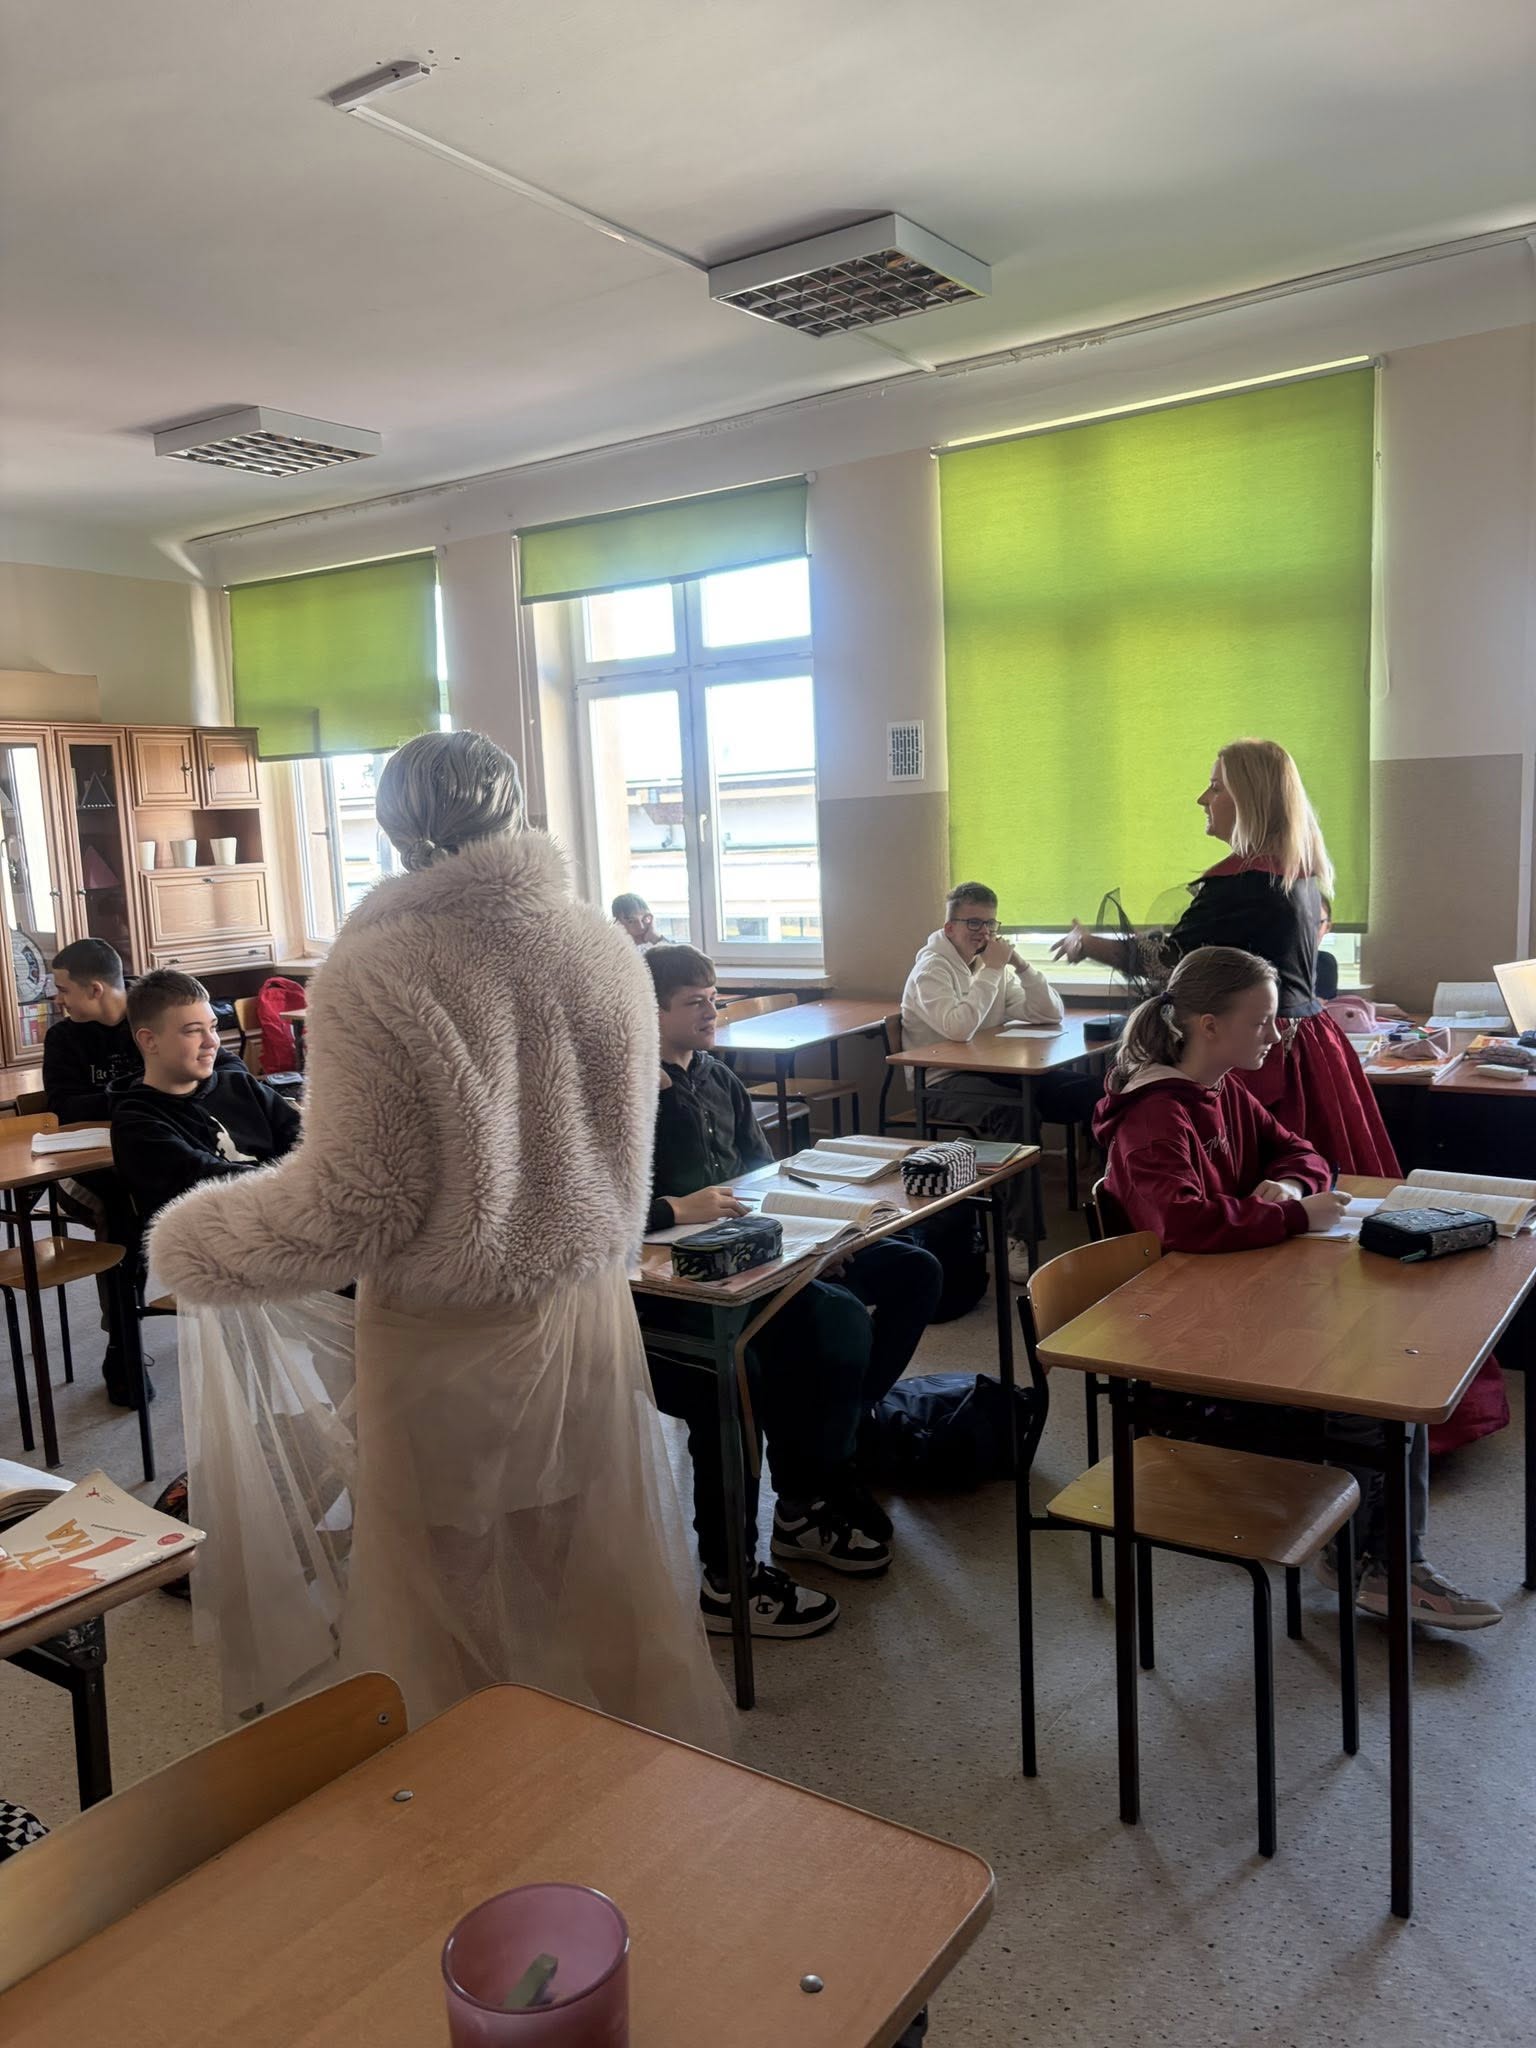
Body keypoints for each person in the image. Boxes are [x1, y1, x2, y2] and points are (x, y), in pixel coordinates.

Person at [150, 730, 727, 1746]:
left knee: (448, 1578)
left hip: (444, 1325)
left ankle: (481, 1782)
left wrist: (196, 1242)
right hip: (581, 1306)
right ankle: (608, 1766)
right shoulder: (602, 947)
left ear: (398, 827)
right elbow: (618, 1141)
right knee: (578, 1548)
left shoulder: (379, 964)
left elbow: (356, 1204)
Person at [1096, 943, 1500, 1631]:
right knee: (1377, 1393)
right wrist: (1291, 1215)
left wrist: (1286, 1186)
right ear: (1208, 1025)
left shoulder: (1221, 1088)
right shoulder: (1155, 1115)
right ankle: (1380, 1565)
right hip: (1189, 1342)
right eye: (1261, 1021)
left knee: (1391, 1359)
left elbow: (1305, 1152)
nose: (1278, 1033)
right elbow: (1183, 1224)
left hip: (1236, 1299)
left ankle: (1366, 1556)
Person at [644, 943, 944, 1640]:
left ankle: (823, 1463)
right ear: (648, 1012)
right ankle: (744, 1559)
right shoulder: (626, 1093)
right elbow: (593, 1208)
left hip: (756, 1253)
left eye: (714, 999)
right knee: (804, 1337)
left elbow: (761, 1177)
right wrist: (673, 1209)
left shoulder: (718, 1076)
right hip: (677, 1287)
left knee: (906, 1272)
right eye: (694, 1003)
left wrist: (819, 1239)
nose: (711, 1013)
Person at [1053, 739, 1397, 1176]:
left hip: (1258, 1047)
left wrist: (1089, 945)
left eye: (1216, 788)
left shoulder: (1243, 884)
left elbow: (1169, 963)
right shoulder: (1294, 875)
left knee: (1254, 1175)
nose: (1203, 798)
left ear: (1250, 799)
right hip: (1307, 1040)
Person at [902, 881, 1068, 1281]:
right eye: (973, 923)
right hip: (939, 1083)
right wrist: (994, 969)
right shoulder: (931, 970)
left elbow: (1050, 1014)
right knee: (1016, 1116)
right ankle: (1019, 1236)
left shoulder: (988, 966)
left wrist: (1021, 966)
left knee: (1080, 1092)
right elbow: (958, 1028)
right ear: (950, 928)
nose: (984, 933)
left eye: (991, 924)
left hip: (989, 1071)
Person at [109, 970, 302, 1225]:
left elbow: (305, 1140)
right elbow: (211, 1180)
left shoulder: (241, 1086)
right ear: (149, 1040)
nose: (212, 1042)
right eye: (193, 1031)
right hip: (212, 1240)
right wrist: (297, 1182)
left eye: (213, 1027)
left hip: (285, 1219)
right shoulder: (136, 1123)